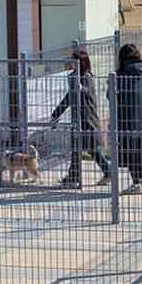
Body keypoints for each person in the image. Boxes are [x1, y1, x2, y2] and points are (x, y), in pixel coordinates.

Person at [50, 48, 111, 188]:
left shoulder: (87, 76)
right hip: (78, 119)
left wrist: (81, 88)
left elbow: (87, 91)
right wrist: (56, 113)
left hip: (87, 118)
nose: (70, 63)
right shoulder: (73, 77)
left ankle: (106, 171)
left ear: (80, 62)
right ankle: (75, 175)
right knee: (78, 148)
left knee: (91, 148)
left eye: (74, 60)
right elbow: (69, 97)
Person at [112, 44, 142, 195]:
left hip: (127, 119)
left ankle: (137, 183)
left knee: (130, 152)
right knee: (138, 150)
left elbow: (111, 96)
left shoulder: (121, 75)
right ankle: (141, 179)